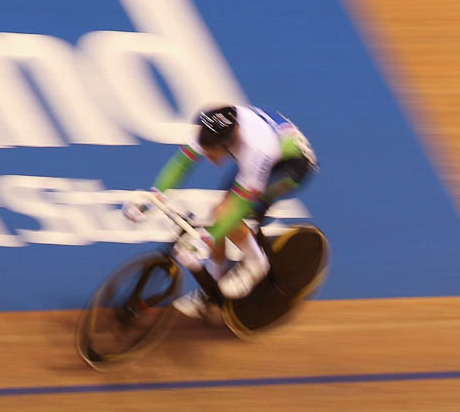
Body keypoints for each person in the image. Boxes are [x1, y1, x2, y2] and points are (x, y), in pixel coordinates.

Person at [123, 104, 318, 319]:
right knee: (218, 214)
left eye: (211, 151)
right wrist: (154, 197)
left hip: (291, 164)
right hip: (260, 153)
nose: (207, 155)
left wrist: (207, 239)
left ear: (227, 143)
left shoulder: (257, 148)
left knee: (230, 214)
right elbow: (181, 164)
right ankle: (211, 291)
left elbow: (240, 205)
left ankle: (256, 264)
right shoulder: (210, 129)